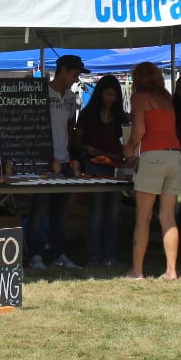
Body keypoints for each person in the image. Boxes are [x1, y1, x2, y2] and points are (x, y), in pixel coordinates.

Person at [123, 62, 181, 280]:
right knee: (168, 216)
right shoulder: (167, 98)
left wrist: (128, 148)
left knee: (143, 217)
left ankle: (137, 271)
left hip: (152, 156)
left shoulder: (139, 98)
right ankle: (171, 270)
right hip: (175, 156)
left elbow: (139, 129)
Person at [26, 54, 85, 270]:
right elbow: (32, 126)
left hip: (64, 160)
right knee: (39, 210)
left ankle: (59, 253)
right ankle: (35, 255)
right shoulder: (41, 93)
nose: (75, 79)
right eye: (74, 74)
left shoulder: (70, 97)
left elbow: (70, 126)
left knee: (60, 213)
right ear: (62, 70)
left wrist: (69, 155)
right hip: (43, 161)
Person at [76, 74, 127, 267]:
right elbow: (77, 141)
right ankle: (93, 256)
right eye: (107, 94)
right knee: (96, 213)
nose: (111, 99)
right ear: (100, 94)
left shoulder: (121, 117)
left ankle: (110, 256)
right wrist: (87, 148)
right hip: (94, 165)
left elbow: (126, 141)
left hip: (114, 167)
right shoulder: (88, 114)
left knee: (112, 214)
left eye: (114, 95)